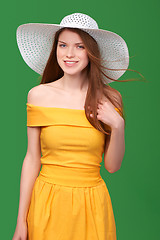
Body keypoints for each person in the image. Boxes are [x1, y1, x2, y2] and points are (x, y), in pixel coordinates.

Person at [13, 12, 128, 240]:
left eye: (80, 47)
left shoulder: (110, 99)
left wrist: (118, 125)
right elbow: (32, 159)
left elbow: (112, 166)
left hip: (93, 204)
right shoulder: (38, 95)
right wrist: (20, 222)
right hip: (47, 202)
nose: (69, 54)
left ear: (91, 53)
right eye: (63, 45)